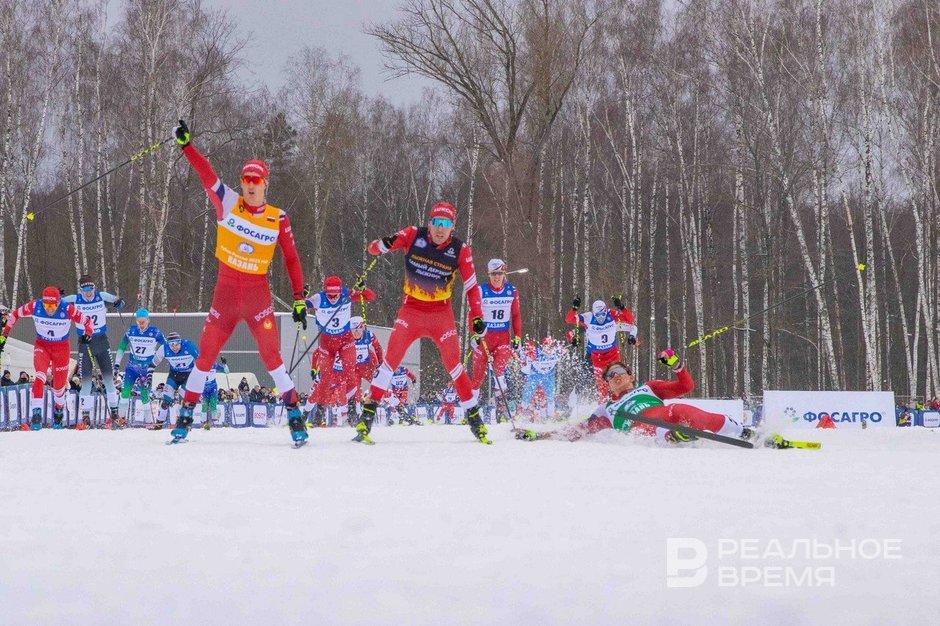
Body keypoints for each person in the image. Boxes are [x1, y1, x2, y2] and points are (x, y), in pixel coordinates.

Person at [172, 120, 309, 444]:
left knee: (272, 358)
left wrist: (299, 299)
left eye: (255, 180)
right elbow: (206, 174)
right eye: (246, 179)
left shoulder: (278, 218)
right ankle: (186, 416)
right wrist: (187, 146)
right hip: (225, 297)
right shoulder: (228, 202)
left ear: (265, 184)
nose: (250, 185)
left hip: (257, 298)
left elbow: (291, 259)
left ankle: (294, 415)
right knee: (205, 356)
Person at [359, 201, 488, 444]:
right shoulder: (412, 235)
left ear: (452, 227)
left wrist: (478, 318)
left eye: (446, 224)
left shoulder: (460, 250)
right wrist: (382, 244)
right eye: (436, 223)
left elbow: (472, 288)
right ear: (429, 223)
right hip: (411, 311)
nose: (440, 229)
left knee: (454, 365)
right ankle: (366, 417)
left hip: (441, 315)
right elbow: (373, 250)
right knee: (390, 361)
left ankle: (474, 418)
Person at [515, 349, 753, 444]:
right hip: (648, 430)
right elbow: (577, 430)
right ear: (608, 385)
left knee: (681, 410)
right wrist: (539, 435)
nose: (615, 376)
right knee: (646, 426)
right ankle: (673, 436)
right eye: (610, 376)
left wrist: (676, 365)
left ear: (630, 376)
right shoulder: (606, 409)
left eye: (619, 371)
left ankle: (743, 432)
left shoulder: (648, 388)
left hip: (668, 415)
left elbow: (686, 386)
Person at [0, 287, 94, 430]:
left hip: (61, 349)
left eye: (53, 306)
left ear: (58, 303)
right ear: (42, 302)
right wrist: (5, 334)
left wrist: (88, 334)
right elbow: (14, 315)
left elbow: (88, 322)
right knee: (40, 376)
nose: (49, 309)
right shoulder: (35, 306)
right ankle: (36, 414)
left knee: (59, 387)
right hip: (42, 346)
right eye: (46, 305)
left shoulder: (67, 308)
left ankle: (58, 411)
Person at [305, 276, 375, 412]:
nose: (332, 298)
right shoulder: (319, 298)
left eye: (335, 295)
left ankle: (352, 408)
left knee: (350, 370)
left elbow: (370, 297)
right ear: (325, 292)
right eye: (329, 296)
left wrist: (363, 288)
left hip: (345, 339)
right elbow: (302, 306)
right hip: (327, 341)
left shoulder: (346, 294)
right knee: (325, 377)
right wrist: (302, 302)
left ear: (339, 291)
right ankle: (319, 412)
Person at [63, 274, 125, 426]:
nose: (88, 293)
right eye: (85, 290)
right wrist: (58, 296)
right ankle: (85, 416)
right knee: (85, 382)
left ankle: (115, 413)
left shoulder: (101, 296)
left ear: (94, 288)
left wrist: (119, 302)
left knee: (109, 379)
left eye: (91, 289)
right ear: (81, 290)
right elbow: (55, 302)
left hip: (101, 341)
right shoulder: (75, 299)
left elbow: (119, 301)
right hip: (85, 343)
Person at [470, 259, 522, 419]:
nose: (497, 277)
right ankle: (471, 411)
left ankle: (503, 409)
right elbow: (473, 314)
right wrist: (474, 334)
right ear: (489, 274)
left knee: (499, 371)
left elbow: (516, 315)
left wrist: (517, 337)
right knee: (477, 378)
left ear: (504, 273)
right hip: (484, 338)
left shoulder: (512, 291)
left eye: (499, 274)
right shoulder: (481, 290)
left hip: (503, 338)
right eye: (493, 274)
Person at [566, 297, 638, 400]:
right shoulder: (588, 318)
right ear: (593, 313)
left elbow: (630, 321)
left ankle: (624, 398)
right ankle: (604, 403)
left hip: (612, 354)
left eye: (602, 314)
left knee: (618, 379)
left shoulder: (611, 315)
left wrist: (622, 307)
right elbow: (569, 320)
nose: (600, 318)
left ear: (606, 311)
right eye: (597, 315)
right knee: (603, 386)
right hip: (597, 357)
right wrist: (574, 308)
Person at [115, 308, 168, 426]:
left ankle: (149, 421)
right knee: (125, 392)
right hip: (131, 368)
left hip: (146, 369)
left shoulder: (155, 332)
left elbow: (166, 346)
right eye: (139, 322)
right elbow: (121, 347)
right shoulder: (131, 331)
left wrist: (160, 359)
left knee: (145, 395)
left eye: (143, 322)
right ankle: (120, 419)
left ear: (148, 320)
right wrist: (117, 364)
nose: (141, 324)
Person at [157, 332, 199, 428]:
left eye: (176, 344)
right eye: (171, 344)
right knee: (165, 401)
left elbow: (200, 361)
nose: (174, 347)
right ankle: (159, 424)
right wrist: (149, 376)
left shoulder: (189, 345)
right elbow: (153, 363)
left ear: (180, 342)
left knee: (183, 401)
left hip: (188, 376)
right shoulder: (164, 348)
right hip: (174, 376)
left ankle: (183, 424)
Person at [520, 337, 561, 420]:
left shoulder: (557, 352)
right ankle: (520, 413)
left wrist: (573, 340)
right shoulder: (536, 353)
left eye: (551, 347)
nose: (549, 350)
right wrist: (526, 352)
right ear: (543, 346)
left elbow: (564, 349)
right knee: (528, 392)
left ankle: (551, 415)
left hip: (548, 375)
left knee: (550, 394)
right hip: (535, 375)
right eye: (547, 346)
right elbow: (524, 354)